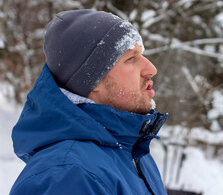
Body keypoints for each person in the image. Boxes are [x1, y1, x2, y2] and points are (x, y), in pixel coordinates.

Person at [10, 10, 168, 195]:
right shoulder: (69, 175)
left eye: (142, 55)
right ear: (92, 81)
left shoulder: (133, 154)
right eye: (131, 58)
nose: (151, 68)